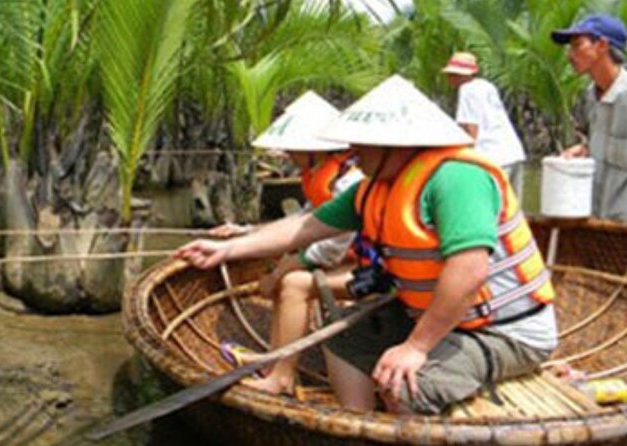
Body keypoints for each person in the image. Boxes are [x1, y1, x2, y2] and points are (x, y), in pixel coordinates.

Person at [177, 75, 558, 414]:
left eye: (365, 142)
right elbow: (306, 226)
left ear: (400, 143)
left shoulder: (456, 179)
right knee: (342, 337)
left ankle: (408, 416)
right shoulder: (373, 187)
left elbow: (469, 270)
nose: (354, 150)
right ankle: (360, 425)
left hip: (505, 330)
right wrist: (228, 249)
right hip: (444, 319)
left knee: (406, 385)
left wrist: (416, 347)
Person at [210, 90, 363, 395]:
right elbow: (307, 221)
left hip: (364, 265)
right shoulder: (322, 173)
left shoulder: (350, 180)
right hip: (347, 258)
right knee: (287, 274)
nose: (289, 155)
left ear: (314, 148)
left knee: (292, 282)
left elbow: (333, 243)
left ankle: (282, 376)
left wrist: (282, 270)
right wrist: (247, 232)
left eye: (294, 148)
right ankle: (274, 360)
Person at [551, 14, 627, 220]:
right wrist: (584, 150)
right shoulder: (589, 97)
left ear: (601, 45)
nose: (569, 55)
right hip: (599, 225)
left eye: (577, 45)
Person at [442, 52, 527, 199]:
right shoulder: (486, 86)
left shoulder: (466, 90)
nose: (449, 78)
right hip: (513, 152)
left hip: (493, 156)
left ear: (458, 75)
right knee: (513, 210)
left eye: (451, 74)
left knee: (493, 207)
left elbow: (471, 128)